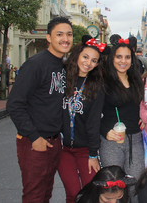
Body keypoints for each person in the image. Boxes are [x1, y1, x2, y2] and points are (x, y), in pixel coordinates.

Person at [6, 16, 73, 203]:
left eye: (69, 34)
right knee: (34, 195)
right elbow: (14, 104)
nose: (65, 39)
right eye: (59, 34)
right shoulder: (35, 64)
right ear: (49, 38)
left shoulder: (62, 65)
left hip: (53, 141)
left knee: (45, 194)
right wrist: (34, 137)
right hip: (34, 142)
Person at [58, 35, 109, 203]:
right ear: (78, 55)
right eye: (85, 57)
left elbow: (94, 122)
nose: (88, 63)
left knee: (90, 194)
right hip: (63, 150)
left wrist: (93, 154)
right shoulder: (63, 78)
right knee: (72, 194)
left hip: (86, 151)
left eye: (94, 60)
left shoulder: (97, 86)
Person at [100, 34, 145, 203]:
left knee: (135, 183)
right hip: (112, 139)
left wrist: (144, 118)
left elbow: (142, 106)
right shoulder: (104, 81)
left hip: (135, 139)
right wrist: (105, 131)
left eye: (127, 57)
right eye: (119, 56)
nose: (123, 61)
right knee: (114, 185)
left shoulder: (136, 81)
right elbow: (91, 114)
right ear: (112, 58)